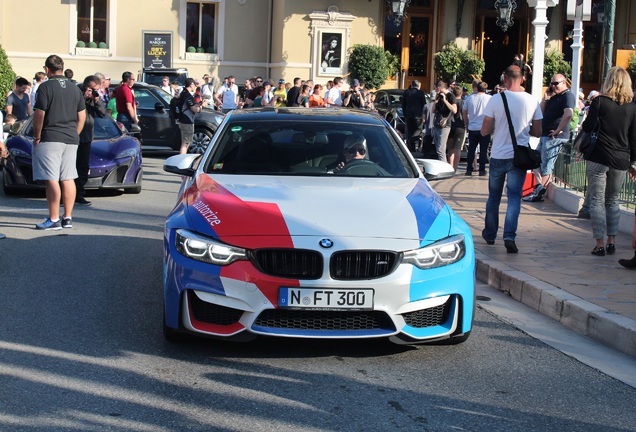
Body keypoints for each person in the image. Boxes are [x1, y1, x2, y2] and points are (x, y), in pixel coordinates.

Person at [480, 65, 542, 253]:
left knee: (494, 197)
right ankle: (509, 236)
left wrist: (497, 129)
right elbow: (538, 131)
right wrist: (524, 130)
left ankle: (490, 234)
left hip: (499, 154)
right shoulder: (532, 101)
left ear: (505, 79)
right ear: (522, 79)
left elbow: (484, 130)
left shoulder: (496, 99)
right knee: (514, 197)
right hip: (519, 157)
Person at [579, 67, 636, 257]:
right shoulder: (632, 107)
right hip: (621, 159)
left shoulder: (600, 102)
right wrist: (633, 163)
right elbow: (633, 138)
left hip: (599, 156)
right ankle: (612, 241)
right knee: (612, 200)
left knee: (596, 200)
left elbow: (587, 127)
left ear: (609, 82)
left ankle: (600, 244)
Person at [32, 54, 86, 230]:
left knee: (51, 178)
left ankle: (54, 218)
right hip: (71, 137)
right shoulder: (75, 89)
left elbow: (39, 113)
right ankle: (67, 217)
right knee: (68, 177)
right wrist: (75, 133)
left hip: (51, 136)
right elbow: (82, 116)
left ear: (47, 70)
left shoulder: (45, 87)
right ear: (62, 68)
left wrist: (37, 136)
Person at [523, 73, 576, 202]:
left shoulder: (568, 96)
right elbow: (540, 112)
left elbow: (568, 113)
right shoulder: (553, 97)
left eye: (556, 83)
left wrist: (558, 130)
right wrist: (545, 99)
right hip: (545, 134)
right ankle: (539, 187)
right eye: (551, 83)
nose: (553, 86)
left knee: (546, 165)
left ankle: (539, 193)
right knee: (534, 160)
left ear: (564, 83)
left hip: (554, 136)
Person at [75, 75, 106, 206]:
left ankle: (79, 194)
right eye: (94, 89)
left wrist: (97, 99)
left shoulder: (93, 98)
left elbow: (103, 113)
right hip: (74, 136)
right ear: (87, 86)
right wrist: (83, 98)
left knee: (83, 167)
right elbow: (72, 109)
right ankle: (65, 195)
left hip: (87, 137)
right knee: (69, 167)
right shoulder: (76, 93)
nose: (95, 92)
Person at [463, 80, 492, 176]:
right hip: (485, 127)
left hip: (472, 127)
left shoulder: (469, 98)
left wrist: (467, 124)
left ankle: (469, 169)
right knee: (483, 150)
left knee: (471, 149)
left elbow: (464, 112)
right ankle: (482, 170)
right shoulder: (489, 98)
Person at [177, 78, 208, 154]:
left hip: (182, 120)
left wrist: (199, 104)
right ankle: (181, 160)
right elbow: (195, 110)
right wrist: (202, 106)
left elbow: (190, 106)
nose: (195, 87)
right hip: (187, 122)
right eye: (194, 84)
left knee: (185, 142)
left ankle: (181, 159)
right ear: (191, 84)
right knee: (185, 143)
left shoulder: (183, 93)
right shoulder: (188, 96)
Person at [431, 80, 457, 161]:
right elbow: (433, 111)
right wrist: (435, 102)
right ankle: (440, 166)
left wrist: (445, 100)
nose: (435, 90)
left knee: (441, 149)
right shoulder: (438, 96)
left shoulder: (450, 96)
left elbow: (454, 110)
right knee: (437, 149)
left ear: (439, 88)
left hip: (445, 125)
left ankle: (444, 167)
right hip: (437, 123)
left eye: (435, 88)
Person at [401, 80, 426, 152]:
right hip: (418, 115)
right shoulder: (421, 93)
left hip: (408, 115)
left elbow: (403, 104)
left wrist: (405, 113)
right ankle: (412, 141)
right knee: (418, 130)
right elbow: (424, 104)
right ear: (418, 86)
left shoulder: (406, 92)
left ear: (412, 85)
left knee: (410, 130)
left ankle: (411, 147)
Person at [447, 85, 466, 171]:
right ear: (461, 93)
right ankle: (455, 167)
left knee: (451, 149)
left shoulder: (451, 102)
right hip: (461, 126)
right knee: (458, 148)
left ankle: (450, 166)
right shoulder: (463, 102)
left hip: (451, 126)